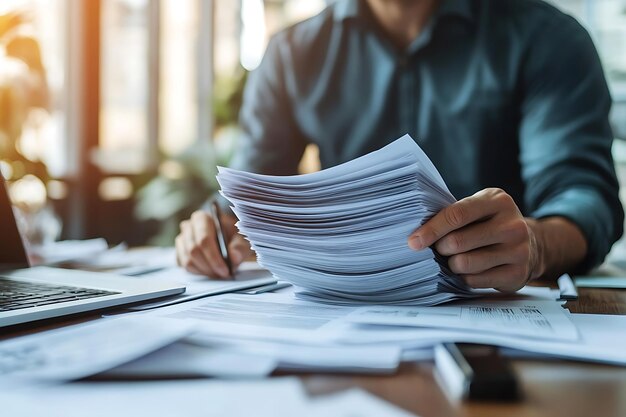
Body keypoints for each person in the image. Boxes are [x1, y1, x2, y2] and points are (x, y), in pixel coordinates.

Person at [175, 0, 624, 292]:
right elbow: (251, 197)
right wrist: (210, 230)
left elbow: (584, 197)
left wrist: (537, 245)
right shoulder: (293, 53)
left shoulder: (547, 39)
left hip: (500, 308)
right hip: (339, 318)